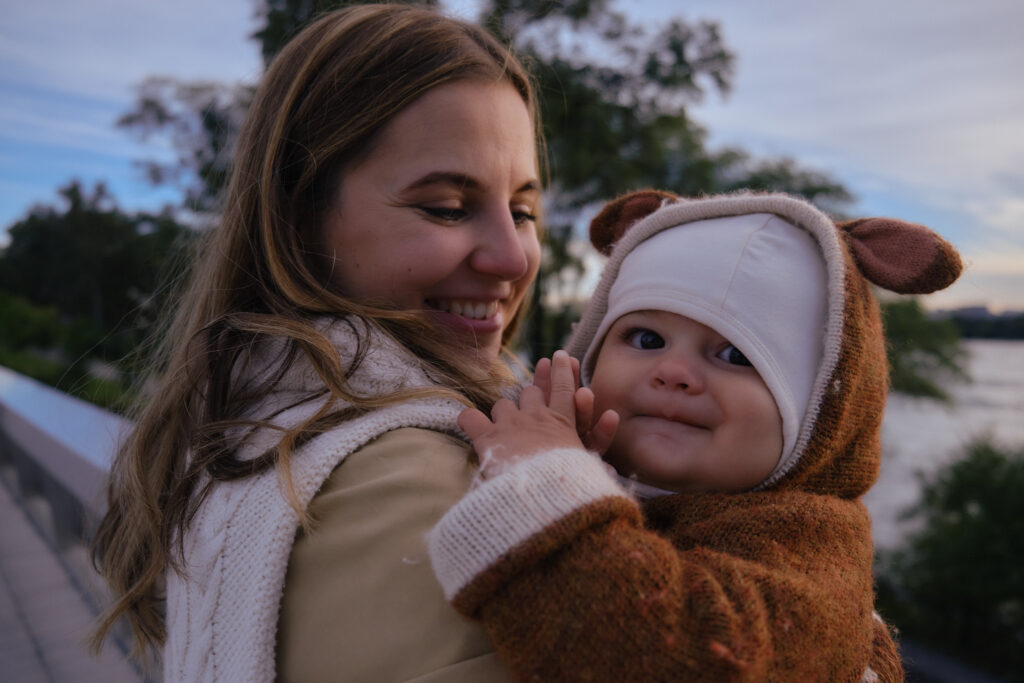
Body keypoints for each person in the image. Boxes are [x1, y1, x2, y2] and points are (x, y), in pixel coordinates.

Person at [90, 5, 544, 681]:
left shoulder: (236, 424)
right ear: (300, 218)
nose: (513, 258)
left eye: (524, 210)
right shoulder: (437, 487)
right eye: (447, 207)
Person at [428, 190, 963, 681]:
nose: (673, 371)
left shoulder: (807, 549)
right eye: (645, 337)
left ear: (819, 414)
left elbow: (675, 656)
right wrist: (581, 475)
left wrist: (541, 486)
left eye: (735, 355)